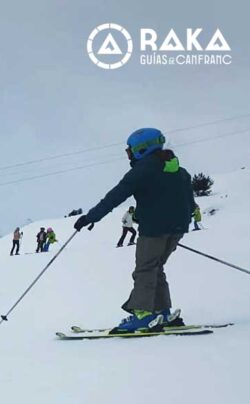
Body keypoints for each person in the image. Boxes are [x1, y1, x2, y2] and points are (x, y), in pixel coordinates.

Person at [73, 128, 194, 333]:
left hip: (154, 230)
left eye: (129, 149)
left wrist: (90, 217)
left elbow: (115, 196)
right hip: (177, 228)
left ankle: (143, 314)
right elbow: (188, 203)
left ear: (141, 149)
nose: (127, 153)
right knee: (156, 267)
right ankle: (162, 312)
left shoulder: (142, 170)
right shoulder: (179, 171)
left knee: (145, 269)